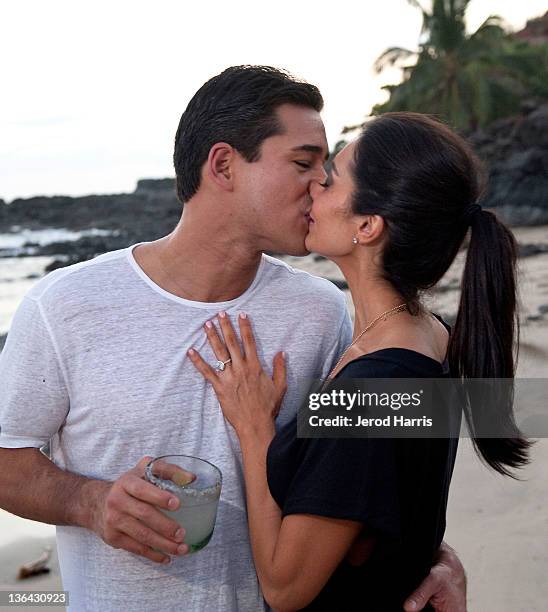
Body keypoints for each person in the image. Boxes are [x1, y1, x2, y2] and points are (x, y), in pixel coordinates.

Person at [0, 67, 465, 611]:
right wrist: (91, 502)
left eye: (326, 168)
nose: (318, 182)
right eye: (303, 162)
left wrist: (427, 553)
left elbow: (372, 465)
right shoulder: (64, 306)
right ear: (223, 165)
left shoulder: (320, 312)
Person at [188, 112, 532, 610]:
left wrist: (253, 425)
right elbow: (396, 501)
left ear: (368, 226)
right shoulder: (432, 336)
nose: (313, 191)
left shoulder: (368, 390)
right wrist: (434, 555)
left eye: (329, 181)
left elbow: (285, 589)